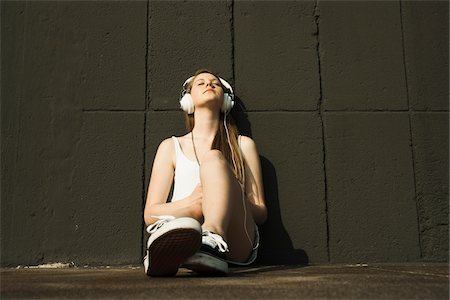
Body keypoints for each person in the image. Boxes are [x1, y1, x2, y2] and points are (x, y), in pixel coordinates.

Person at [143, 69, 267, 276]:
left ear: (226, 101)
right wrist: (194, 202)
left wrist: (222, 196)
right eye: (201, 83)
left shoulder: (243, 145)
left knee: (212, 158)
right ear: (188, 101)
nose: (209, 84)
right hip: (185, 230)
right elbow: (151, 214)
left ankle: (212, 237)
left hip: (235, 242)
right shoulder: (170, 147)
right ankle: (179, 249)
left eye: (215, 83)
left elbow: (261, 213)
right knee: (186, 224)